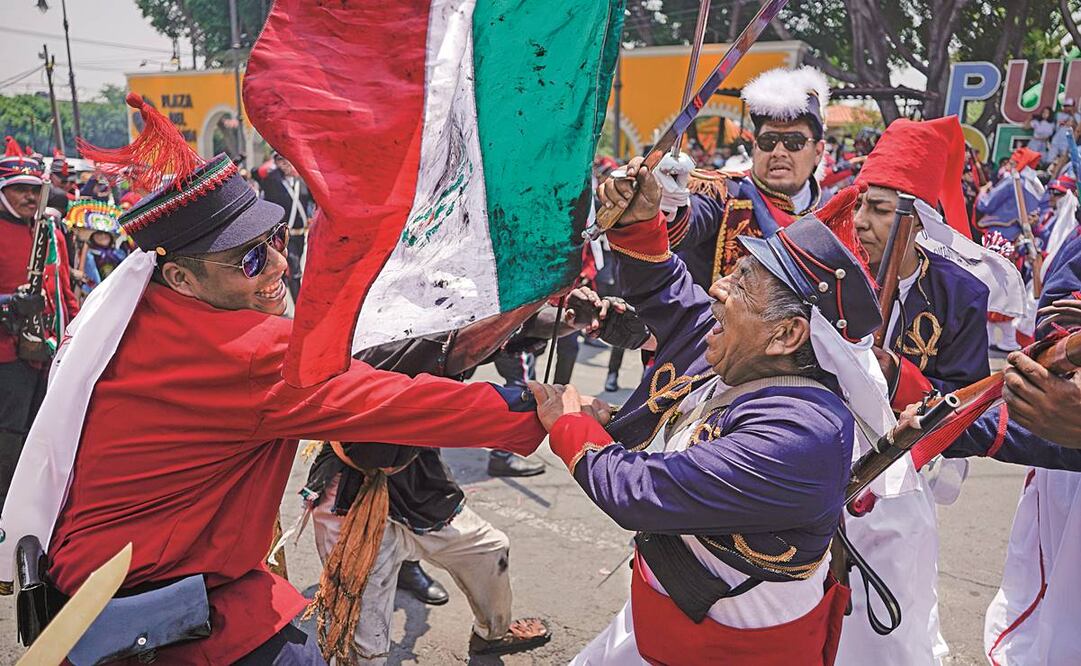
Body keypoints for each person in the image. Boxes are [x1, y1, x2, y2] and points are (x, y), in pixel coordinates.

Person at [0, 94, 552, 665]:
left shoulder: (136, 316)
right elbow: (394, 402)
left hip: (105, 587)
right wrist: (540, 409)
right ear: (181, 278)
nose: (278, 266)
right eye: (248, 261)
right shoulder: (246, 351)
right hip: (156, 605)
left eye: (275, 241)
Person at [551, 173, 888, 664]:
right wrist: (640, 222)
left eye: (742, 282)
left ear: (787, 335)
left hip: (732, 647)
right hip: (666, 622)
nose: (716, 288)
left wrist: (571, 424)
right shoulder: (734, 347)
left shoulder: (802, 434)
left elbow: (640, 492)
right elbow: (670, 291)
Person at [839, 116, 1001, 665]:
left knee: (890, 621)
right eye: (861, 204)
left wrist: (897, 378)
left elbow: (969, 405)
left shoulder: (959, 294)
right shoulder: (829, 268)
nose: (859, 221)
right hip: (816, 465)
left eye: (879, 210)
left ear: (919, 218)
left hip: (902, 481)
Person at [658, 66, 837, 288]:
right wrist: (670, 202)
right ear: (755, 147)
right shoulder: (723, 193)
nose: (779, 152)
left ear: (818, 152)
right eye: (768, 141)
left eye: (794, 142)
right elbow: (686, 223)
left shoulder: (834, 211)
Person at [0, 145, 77, 509]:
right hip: (6, 355)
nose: (30, 196)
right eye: (20, 189)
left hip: (47, 349)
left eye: (35, 189)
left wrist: (75, 334)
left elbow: (63, 292)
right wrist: (8, 303)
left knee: (42, 434)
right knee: (9, 438)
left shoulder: (52, 232)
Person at [257, 151, 313, 299]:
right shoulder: (273, 181)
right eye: (280, 159)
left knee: (288, 270)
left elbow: (314, 200)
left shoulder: (302, 181)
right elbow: (255, 174)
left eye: (287, 159)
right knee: (294, 271)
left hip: (300, 235)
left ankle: (280, 299)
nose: (285, 163)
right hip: (282, 236)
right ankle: (300, 309)